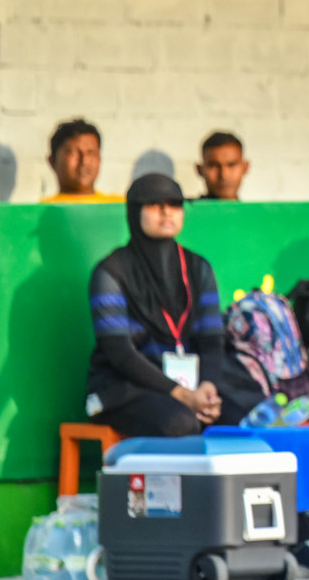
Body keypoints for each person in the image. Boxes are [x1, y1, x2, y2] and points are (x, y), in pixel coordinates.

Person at [85, 174, 222, 435]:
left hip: (191, 386)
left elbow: (212, 341)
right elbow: (120, 353)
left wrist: (207, 389)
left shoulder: (198, 268)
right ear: (134, 211)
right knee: (180, 423)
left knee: (243, 414)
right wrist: (181, 394)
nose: (165, 212)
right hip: (126, 388)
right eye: (153, 204)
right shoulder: (110, 272)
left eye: (174, 204)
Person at [44, 119, 121, 203]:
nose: (84, 161)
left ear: (99, 159)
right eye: (73, 153)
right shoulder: (40, 213)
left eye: (91, 152)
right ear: (52, 161)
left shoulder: (122, 208)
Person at [197, 131, 250, 200]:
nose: (224, 175)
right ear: (199, 170)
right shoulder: (184, 210)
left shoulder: (257, 210)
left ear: (245, 168)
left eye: (232, 165)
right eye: (214, 166)